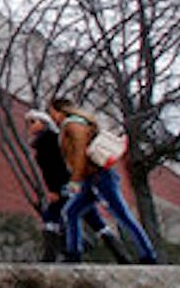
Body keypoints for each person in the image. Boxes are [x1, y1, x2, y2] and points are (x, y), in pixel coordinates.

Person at [49, 98, 159, 264]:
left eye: (52, 112)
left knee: (122, 215)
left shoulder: (72, 125)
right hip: (92, 178)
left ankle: (148, 254)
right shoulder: (78, 124)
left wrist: (75, 180)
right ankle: (74, 253)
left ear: (59, 111)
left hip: (98, 177)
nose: (52, 117)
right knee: (71, 212)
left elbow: (80, 154)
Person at [24, 108, 129, 263]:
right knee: (92, 218)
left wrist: (55, 190)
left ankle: (52, 256)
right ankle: (120, 255)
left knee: (51, 217)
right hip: (76, 184)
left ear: (45, 124)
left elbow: (55, 168)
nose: (29, 126)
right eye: (28, 123)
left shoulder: (48, 141)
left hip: (66, 185)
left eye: (33, 122)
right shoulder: (51, 140)